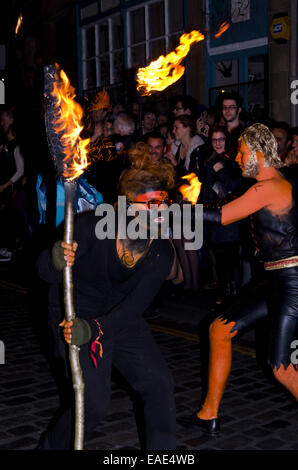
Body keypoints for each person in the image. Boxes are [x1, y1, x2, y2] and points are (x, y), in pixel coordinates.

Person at [36, 161, 177, 450]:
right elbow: (44, 273)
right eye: (152, 204)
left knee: (158, 383)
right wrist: (55, 259)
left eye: (165, 202)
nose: (162, 211)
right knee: (92, 405)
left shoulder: (161, 251)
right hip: (74, 316)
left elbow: (133, 309)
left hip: (116, 319)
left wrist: (95, 329)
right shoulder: (91, 226)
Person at [190, 123, 298, 435]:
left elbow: (222, 216)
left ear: (257, 152)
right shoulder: (275, 181)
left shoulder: (269, 187)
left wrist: (175, 211)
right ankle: (208, 413)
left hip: (291, 283)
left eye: (242, 151)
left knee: (281, 368)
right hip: (273, 280)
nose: (238, 157)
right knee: (219, 329)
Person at [203, 126, 243, 304]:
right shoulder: (210, 160)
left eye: (221, 139)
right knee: (220, 260)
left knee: (231, 260)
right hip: (215, 217)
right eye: (214, 140)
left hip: (230, 217)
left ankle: (233, 297)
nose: (218, 143)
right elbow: (207, 189)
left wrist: (221, 170)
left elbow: (236, 186)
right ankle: (226, 295)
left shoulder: (234, 160)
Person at [220, 91, 246, 159]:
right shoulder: (219, 132)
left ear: (239, 110)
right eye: (225, 107)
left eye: (231, 107)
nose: (227, 111)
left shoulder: (245, 134)